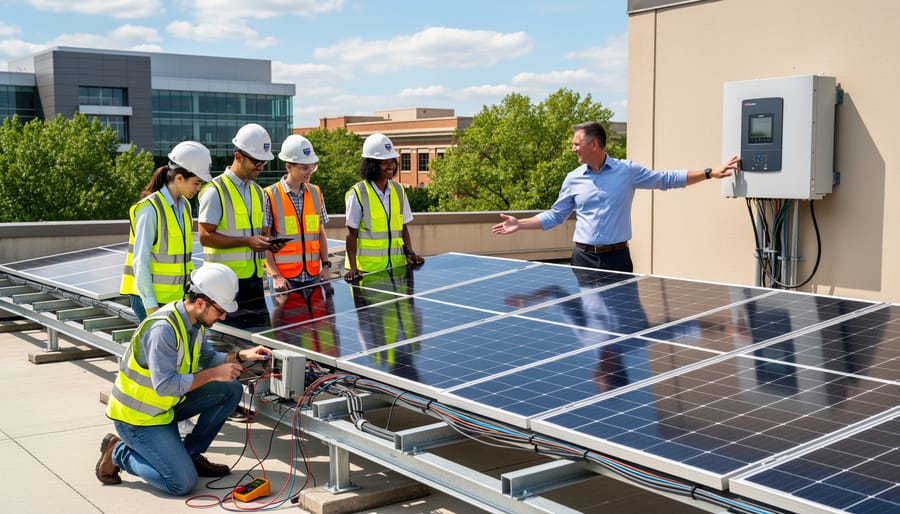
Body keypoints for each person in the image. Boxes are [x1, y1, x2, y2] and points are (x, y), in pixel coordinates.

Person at [96, 263, 272, 495]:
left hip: (165, 408)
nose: (224, 315)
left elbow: (208, 358)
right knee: (181, 484)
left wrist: (242, 355)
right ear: (201, 302)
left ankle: (190, 456)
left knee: (230, 389)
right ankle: (119, 452)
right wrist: (212, 375)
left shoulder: (193, 323)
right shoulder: (163, 330)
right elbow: (166, 385)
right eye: (220, 310)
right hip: (139, 418)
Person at [492, 121, 740, 273]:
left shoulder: (627, 171)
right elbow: (556, 216)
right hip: (583, 258)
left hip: (617, 259)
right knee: (588, 325)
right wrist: (520, 224)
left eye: (577, 144)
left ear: (595, 145)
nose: (573, 149)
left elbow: (666, 179)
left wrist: (709, 173)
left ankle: (614, 360)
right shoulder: (573, 178)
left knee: (622, 325)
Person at [198, 123, 283, 329]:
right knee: (227, 342)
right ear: (238, 157)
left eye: (264, 162)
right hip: (223, 284)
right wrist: (247, 242)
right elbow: (204, 236)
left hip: (254, 281)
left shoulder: (258, 192)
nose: (261, 166)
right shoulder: (215, 191)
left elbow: (261, 233)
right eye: (256, 161)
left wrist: (270, 243)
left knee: (258, 341)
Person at [120, 141, 212, 321]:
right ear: (179, 178)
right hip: (151, 300)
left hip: (174, 299)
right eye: (196, 183)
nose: (198, 188)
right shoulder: (150, 209)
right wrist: (151, 307)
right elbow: (141, 262)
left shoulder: (184, 206)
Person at [344, 133, 424, 281]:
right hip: (367, 272)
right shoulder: (358, 193)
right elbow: (351, 235)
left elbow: (403, 229)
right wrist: (354, 268)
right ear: (372, 165)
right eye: (384, 162)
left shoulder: (399, 190)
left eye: (392, 161)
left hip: (396, 269)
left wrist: (410, 253)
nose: (390, 166)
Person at [263, 135, 331, 292]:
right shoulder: (270, 195)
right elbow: (265, 241)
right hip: (285, 280)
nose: (309, 172)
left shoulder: (316, 193)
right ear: (288, 166)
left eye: (312, 167)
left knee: (317, 317)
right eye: (304, 168)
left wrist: (326, 266)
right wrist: (275, 276)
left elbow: (320, 233)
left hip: (314, 275)